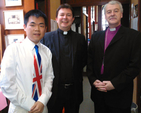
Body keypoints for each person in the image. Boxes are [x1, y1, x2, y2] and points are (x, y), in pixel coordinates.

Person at [87, 0, 141, 113]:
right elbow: (90, 61)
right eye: (109, 12)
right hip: (99, 93)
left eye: (116, 11)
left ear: (121, 14)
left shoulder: (133, 36)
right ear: (105, 16)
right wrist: (93, 80)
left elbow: (135, 67)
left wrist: (114, 84)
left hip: (120, 94)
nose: (112, 14)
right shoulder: (96, 37)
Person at [0, 9, 54, 113]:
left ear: (46, 29)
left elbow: (49, 78)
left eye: (41, 25)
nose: (37, 29)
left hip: (42, 107)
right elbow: (6, 84)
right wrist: (30, 104)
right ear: (24, 27)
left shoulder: (47, 52)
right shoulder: (13, 49)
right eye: (32, 25)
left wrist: (42, 100)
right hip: (20, 108)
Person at [41, 3, 87, 113]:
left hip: (74, 89)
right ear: (56, 18)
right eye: (62, 15)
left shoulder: (80, 39)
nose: (65, 18)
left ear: (72, 19)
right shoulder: (46, 38)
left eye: (68, 15)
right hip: (54, 89)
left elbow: (83, 60)